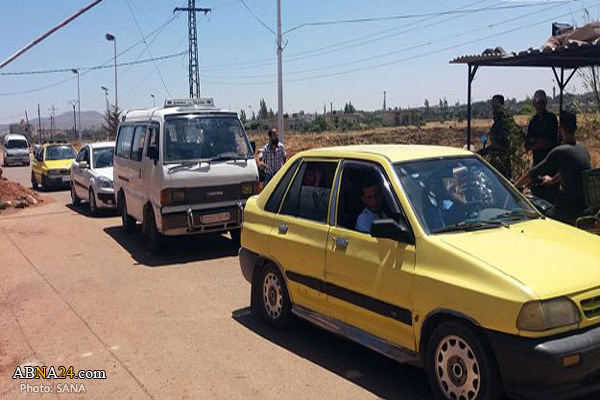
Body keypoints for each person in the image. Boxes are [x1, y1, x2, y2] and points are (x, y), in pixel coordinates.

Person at [516, 110, 592, 225]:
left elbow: (533, 173)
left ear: (559, 128)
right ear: (576, 128)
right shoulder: (582, 150)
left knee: (537, 210)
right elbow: (568, 173)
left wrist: (514, 186)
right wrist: (551, 181)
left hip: (566, 210)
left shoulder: (560, 152)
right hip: (583, 206)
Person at [478, 94, 527, 181]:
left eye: (496, 106)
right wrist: (483, 151)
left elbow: (520, 136)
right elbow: (493, 143)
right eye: (493, 106)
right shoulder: (497, 122)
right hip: (495, 163)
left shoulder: (506, 122)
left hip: (502, 164)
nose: (494, 109)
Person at [524, 90, 559, 201]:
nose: (540, 105)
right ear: (534, 104)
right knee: (538, 198)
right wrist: (538, 144)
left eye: (542, 103)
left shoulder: (552, 119)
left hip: (551, 165)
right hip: (538, 165)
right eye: (538, 103)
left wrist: (546, 144)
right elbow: (527, 145)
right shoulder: (533, 122)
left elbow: (556, 142)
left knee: (550, 198)